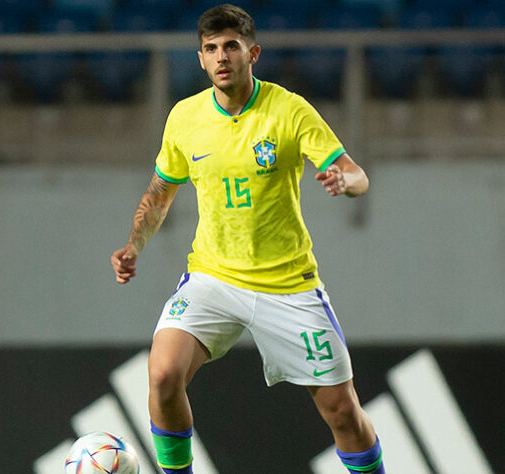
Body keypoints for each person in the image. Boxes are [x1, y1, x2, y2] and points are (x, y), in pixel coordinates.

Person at [110, 4, 384, 474]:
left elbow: (356, 174)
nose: (221, 57)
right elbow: (160, 192)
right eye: (211, 49)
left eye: (231, 46)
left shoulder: (288, 110)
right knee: (162, 374)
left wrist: (344, 181)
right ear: (200, 58)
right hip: (212, 277)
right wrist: (134, 244)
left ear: (252, 53)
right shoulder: (185, 118)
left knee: (342, 411)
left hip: (287, 284)